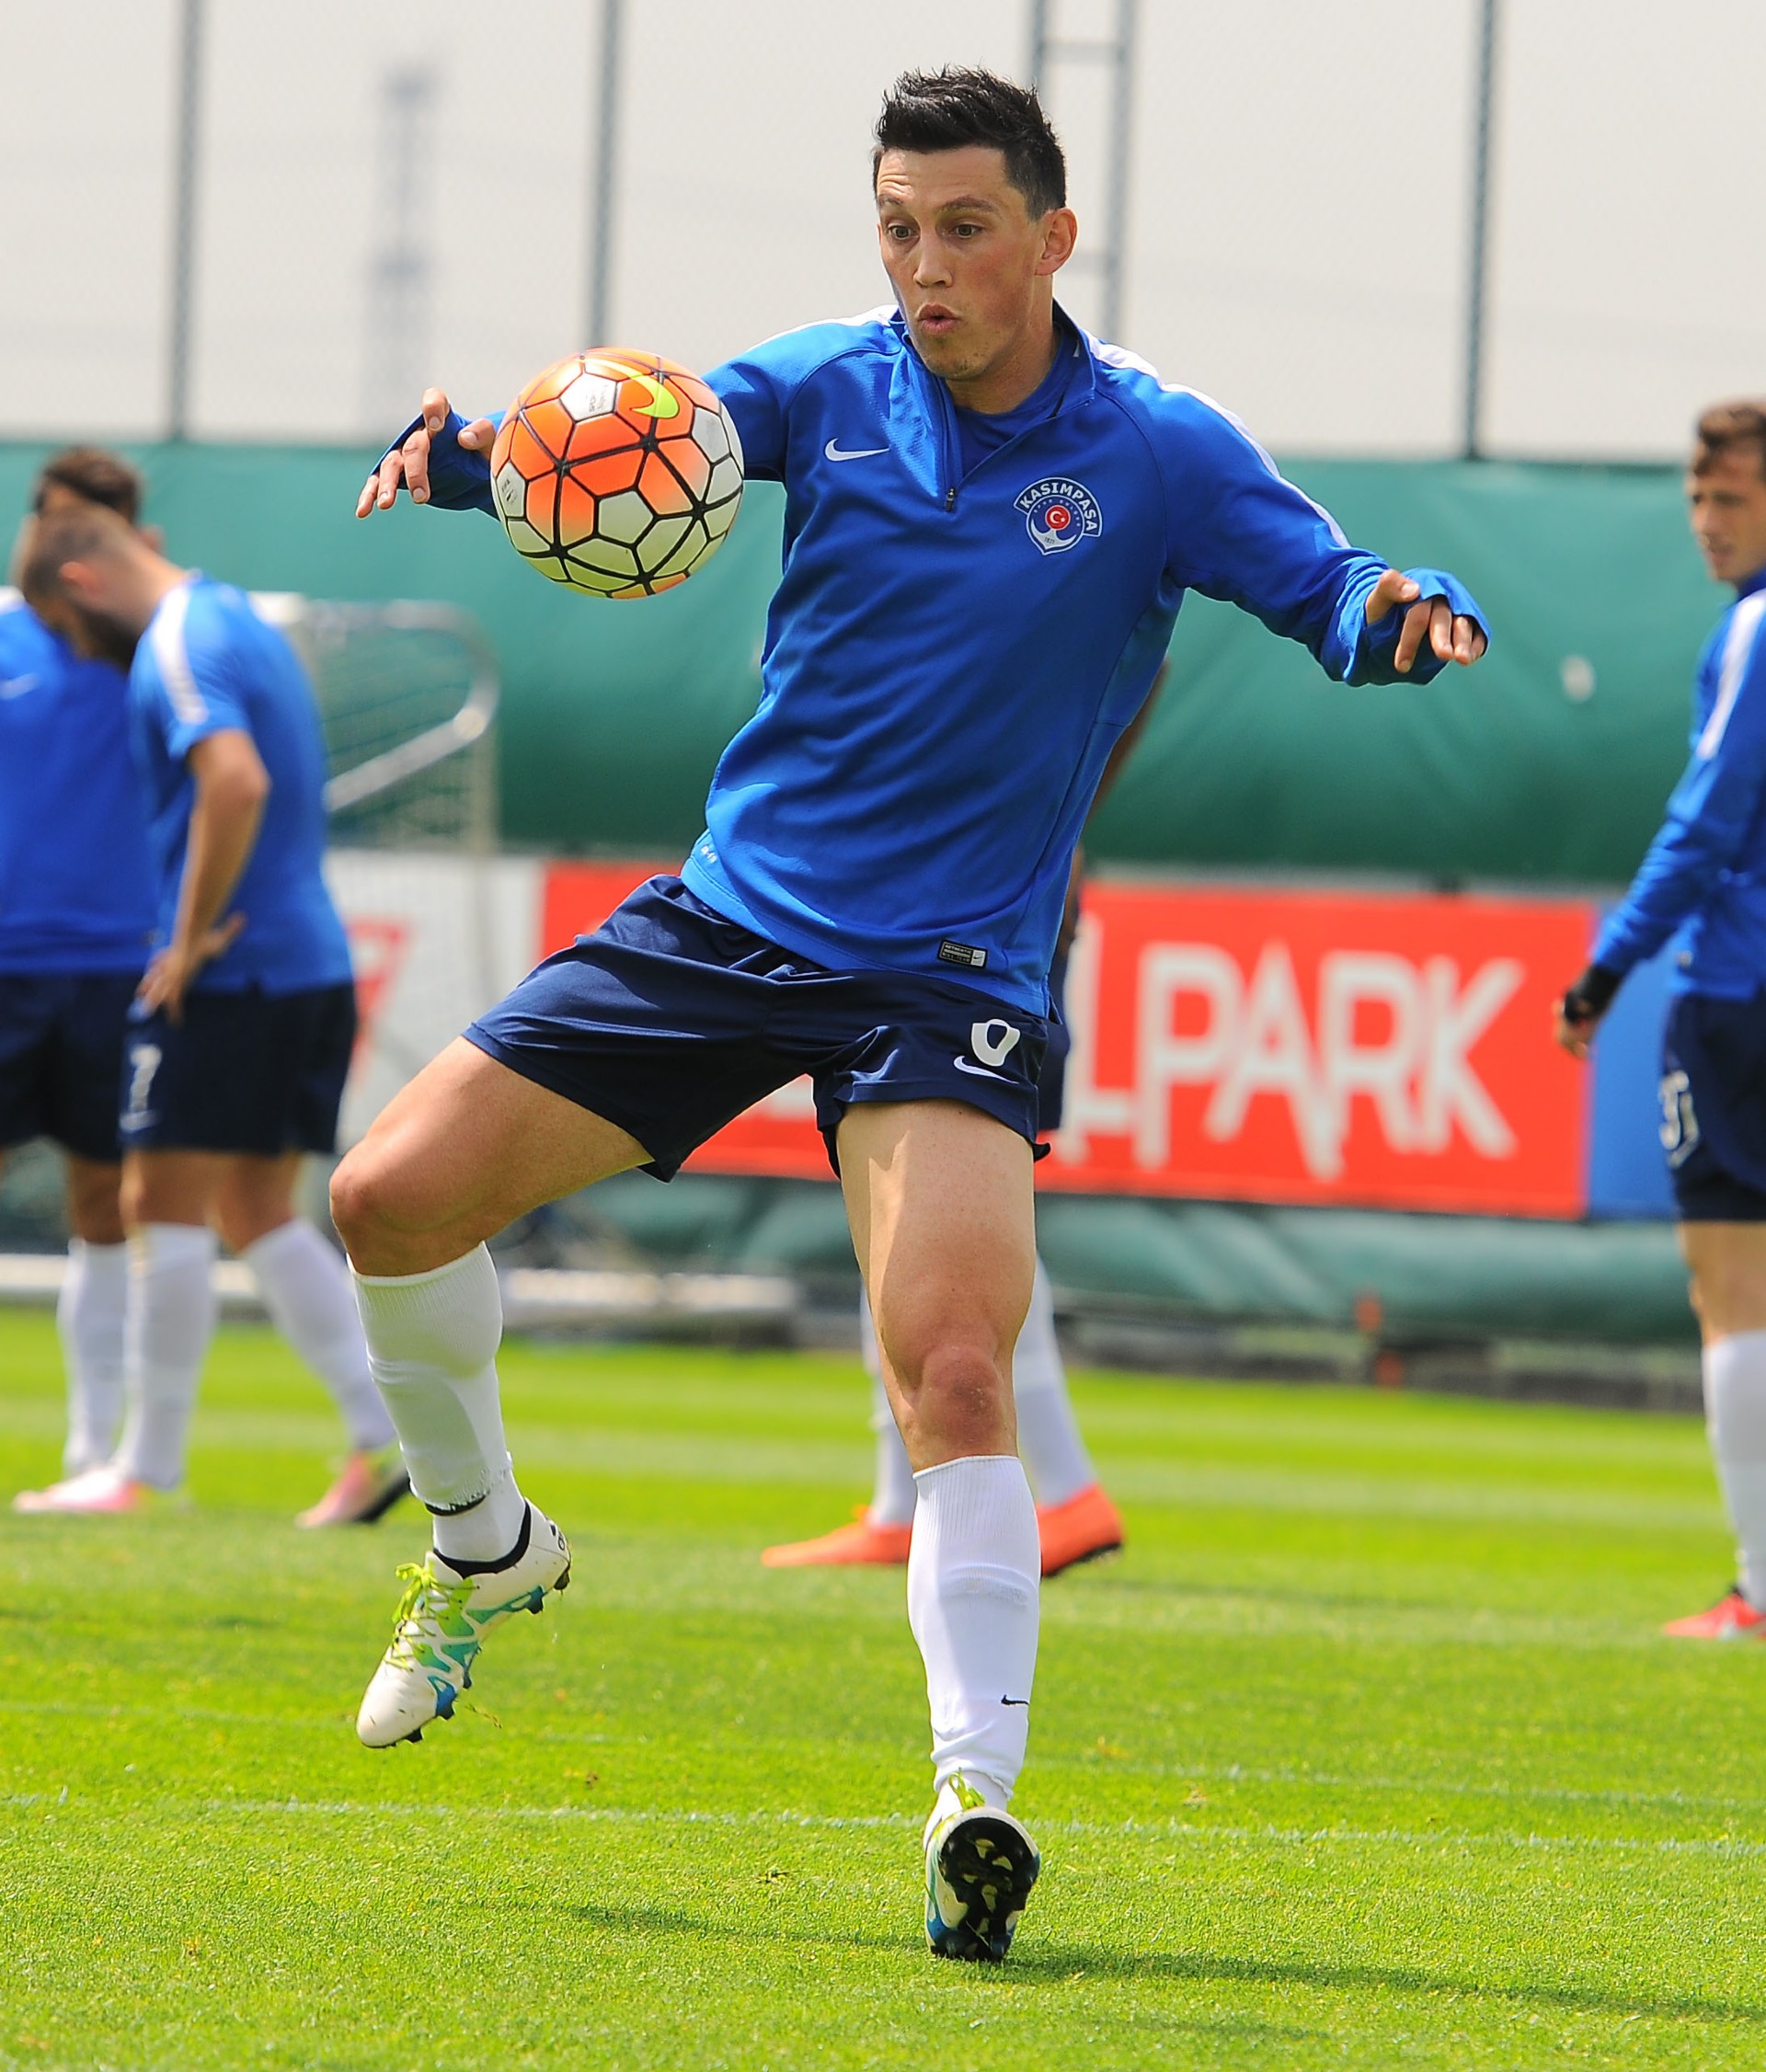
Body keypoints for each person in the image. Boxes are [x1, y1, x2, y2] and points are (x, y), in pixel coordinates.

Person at [344, 67, 1487, 1961]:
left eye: (964, 227)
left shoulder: (1158, 445)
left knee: (955, 1367)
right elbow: (650, 442)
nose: (926, 265)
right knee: (384, 1200)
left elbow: (1332, 585)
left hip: (949, 970)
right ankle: (482, 1541)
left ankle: (975, 1802)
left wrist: (1405, 613)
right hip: (733, 919)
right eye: (898, 228)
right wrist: (480, 460)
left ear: (1052, 236)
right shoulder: (827, 381)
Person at [15, 506, 407, 1527]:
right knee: (255, 1210)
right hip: (306, 963)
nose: (78, 653)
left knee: (156, 1200)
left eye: (67, 629)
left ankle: (143, 1469)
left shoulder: (178, 641)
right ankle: (385, 1432)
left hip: (238, 973)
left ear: (82, 584)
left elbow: (234, 779)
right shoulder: (236, 616)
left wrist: (186, 938)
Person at [762, 680, 1165, 1576]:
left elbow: (1147, 658)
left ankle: (1061, 1491)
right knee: (900, 1189)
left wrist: (1058, 818)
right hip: (917, 895)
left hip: (971, 910)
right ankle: (910, 1502)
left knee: (941, 1192)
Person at [1556, 399, 1766, 1640]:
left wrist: (1606, 968)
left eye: (1730, 499)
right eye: (1697, 498)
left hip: (1740, 995)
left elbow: (1705, 822)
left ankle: (1759, 1588)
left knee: (1731, 1287)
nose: (1706, 521)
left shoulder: (1756, 630)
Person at [1, 451, 156, 1483]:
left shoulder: (160, 645)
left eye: (86, 529)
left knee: (107, 1206)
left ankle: (93, 1448)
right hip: (4, 965)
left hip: (116, 967)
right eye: (51, 523)